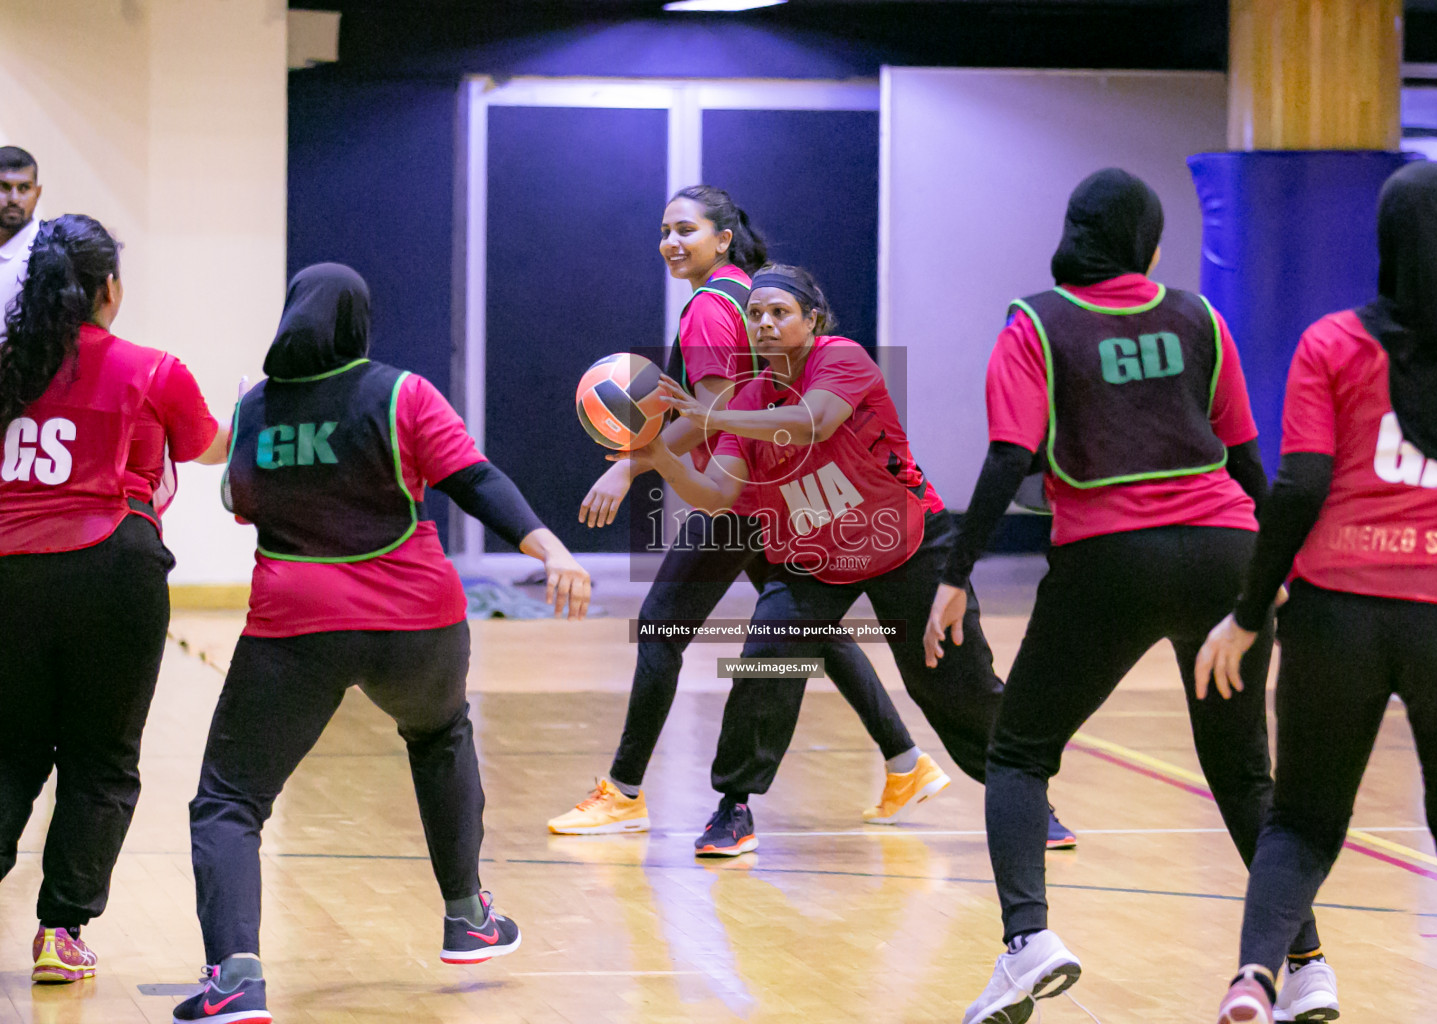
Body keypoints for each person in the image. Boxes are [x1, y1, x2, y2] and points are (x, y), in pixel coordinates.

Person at [934, 169, 1337, 1024]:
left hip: (1110, 562)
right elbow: (1248, 465)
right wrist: (1280, 575)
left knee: (1018, 753)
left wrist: (954, 573)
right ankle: (1303, 969)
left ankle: (1028, 943)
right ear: (1150, 244)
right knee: (1243, 774)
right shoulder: (1201, 318)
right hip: (1225, 553)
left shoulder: (1034, 321)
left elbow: (1010, 459)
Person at [173, 263, 592, 1024]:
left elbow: (239, 499)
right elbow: (472, 477)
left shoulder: (258, 407)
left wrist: (243, 422)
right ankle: (468, 917)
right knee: (439, 736)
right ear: (358, 323)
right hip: (417, 620)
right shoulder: (401, 392)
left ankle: (236, 978)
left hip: (297, 625)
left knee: (230, 800)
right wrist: (547, 547)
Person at [1202, 161, 1437, 1024]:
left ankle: (1257, 976)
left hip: (1335, 618)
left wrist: (1248, 611)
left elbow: (1301, 485)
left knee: (1302, 823)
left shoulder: (1334, 342)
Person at [625, 263, 1072, 857]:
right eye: (755, 314)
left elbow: (813, 423)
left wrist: (708, 416)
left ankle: (1026, 799)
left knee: (952, 682)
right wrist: (661, 458)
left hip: (906, 544)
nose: (763, 323)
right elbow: (718, 495)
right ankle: (734, 808)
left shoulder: (842, 358)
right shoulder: (749, 403)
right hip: (814, 558)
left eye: (778, 313)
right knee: (766, 662)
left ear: (812, 321)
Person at [549, 186, 940, 848]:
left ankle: (624, 792)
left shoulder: (708, 308)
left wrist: (629, 463)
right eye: (664, 231)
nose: (671, 242)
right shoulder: (743, 290)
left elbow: (708, 412)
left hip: (743, 493)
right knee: (797, 623)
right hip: (775, 489)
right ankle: (906, 760)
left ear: (722, 238)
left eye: (686, 230)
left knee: (660, 628)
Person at [0, 214, 226, 984]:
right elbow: (208, 446)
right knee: (101, 760)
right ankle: (60, 932)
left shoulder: (6, 365)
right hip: (112, 571)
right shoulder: (152, 369)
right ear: (108, 290)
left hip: (8, 572)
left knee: (10, 752)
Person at [0, 147, 43, 327]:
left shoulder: (48, 250)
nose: (14, 199)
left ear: (37, 192)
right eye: (4, 187)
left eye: (24, 188)